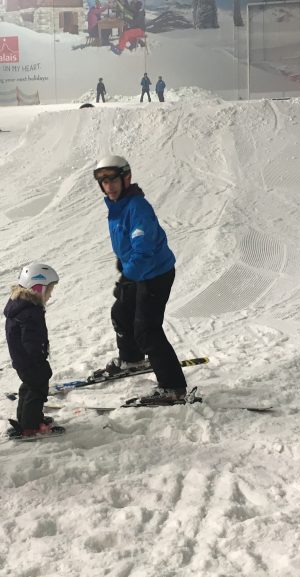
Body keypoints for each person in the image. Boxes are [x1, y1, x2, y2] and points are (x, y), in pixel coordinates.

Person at [91, 155, 187, 401]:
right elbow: (130, 245)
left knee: (146, 329)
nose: (108, 185)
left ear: (126, 178)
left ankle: (172, 387)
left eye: (112, 179)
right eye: (103, 181)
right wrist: (124, 264)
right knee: (121, 313)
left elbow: (143, 249)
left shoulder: (137, 207)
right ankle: (131, 360)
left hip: (155, 274)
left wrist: (127, 276)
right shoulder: (117, 207)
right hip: (137, 272)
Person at [4, 263, 65, 438]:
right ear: (38, 288)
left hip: (23, 360)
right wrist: (39, 360)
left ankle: (26, 420)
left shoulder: (20, 305)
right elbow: (31, 340)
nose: (51, 294)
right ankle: (30, 427)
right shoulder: (30, 312)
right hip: (31, 360)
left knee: (28, 388)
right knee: (37, 391)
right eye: (50, 290)